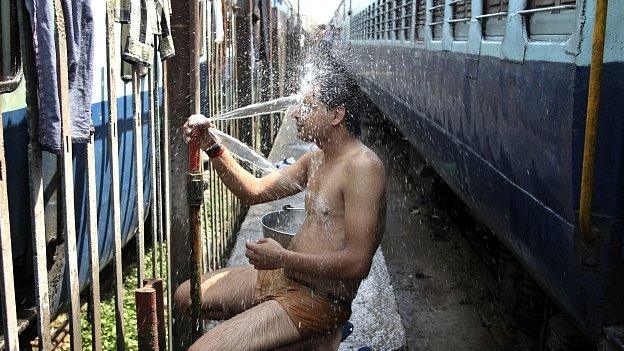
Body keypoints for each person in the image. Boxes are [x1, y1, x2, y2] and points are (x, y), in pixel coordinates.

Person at [176, 62, 387, 351]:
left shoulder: (363, 167)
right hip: (283, 277)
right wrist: (212, 146)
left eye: (308, 106)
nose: (296, 113)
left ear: (337, 115)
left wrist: (283, 257)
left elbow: (357, 263)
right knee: (186, 296)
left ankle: (319, 331)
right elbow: (253, 191)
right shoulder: (315, 158)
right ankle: (315, 340)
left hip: (318, 298)